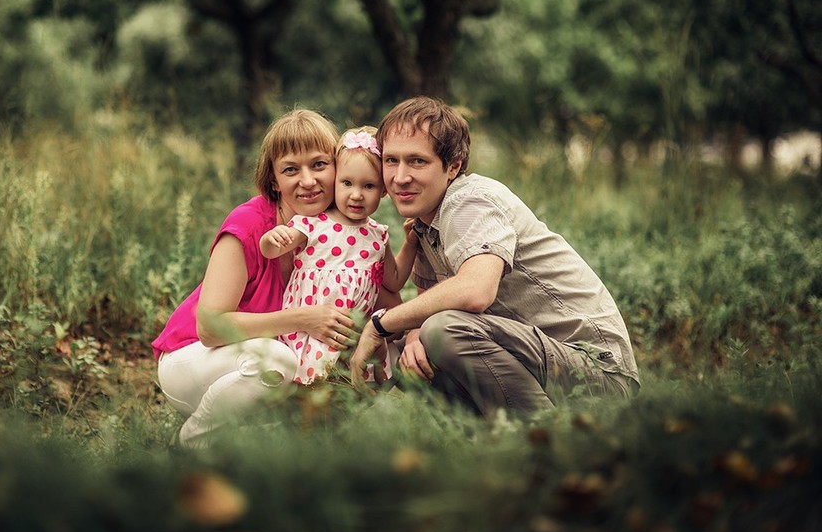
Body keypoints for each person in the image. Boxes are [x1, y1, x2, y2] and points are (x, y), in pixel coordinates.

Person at [349, 96, 640, 415]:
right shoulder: (423, 224)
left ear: (453, 166)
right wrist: (413, 336)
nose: (400, 177)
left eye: (417, 161)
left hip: (596, 371)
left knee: (443, 331)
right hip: (532, 357)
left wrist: (380, 324)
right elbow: (429, 300)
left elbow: (475, 290)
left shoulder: (470, 202)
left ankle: (549, 437)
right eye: (391, 161)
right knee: (402, 354)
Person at [152, 109, 359, 448]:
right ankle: (191, 442)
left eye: (320, 164)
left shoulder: (339, 230)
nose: (307, 181)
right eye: (291, 169)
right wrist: (302, 319)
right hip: (194, 361)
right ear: (274, 180)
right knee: (279, 359)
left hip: (258, 367)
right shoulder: (248, 225)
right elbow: (210, 328)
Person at [260, 127, 419, 385]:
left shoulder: (378, 235)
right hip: (311, 327)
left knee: (348, 387)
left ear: (383, 191)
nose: (356, 195)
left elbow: (394, 280)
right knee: (309, 386)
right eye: (347, 183)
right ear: (335, 181)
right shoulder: (312, 223)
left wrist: (411, 244)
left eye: (368, 186)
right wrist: (271, 239)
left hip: (352, 331)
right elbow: (272, 251)